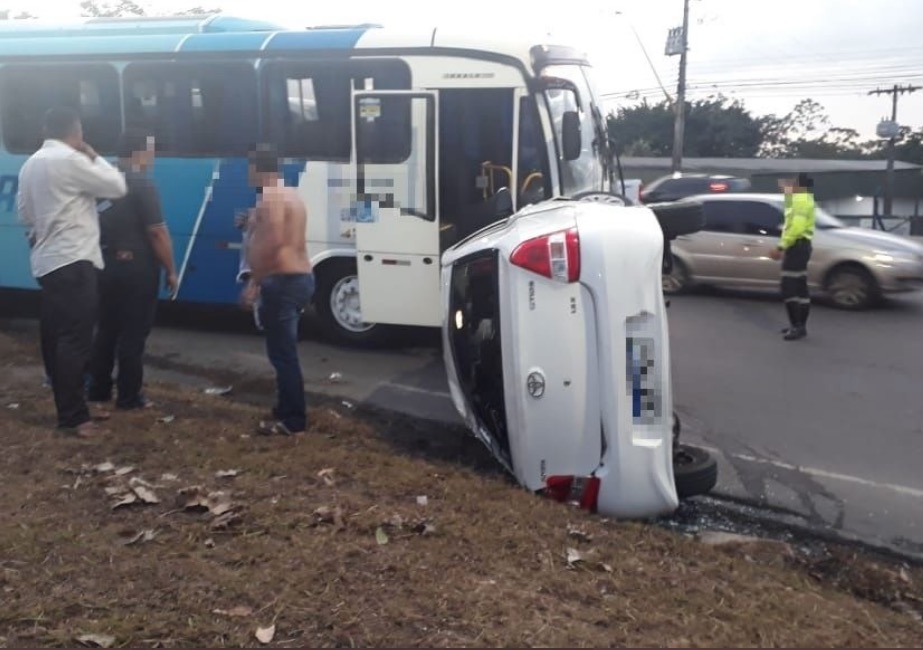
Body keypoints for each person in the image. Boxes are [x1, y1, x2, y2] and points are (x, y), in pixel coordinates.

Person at [16, 107, 127, 437]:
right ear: (76, 131)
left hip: (47, 262)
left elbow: (25, 213)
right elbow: (116, 186)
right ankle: (73, 417)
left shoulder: (31, 163)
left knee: (55, 336)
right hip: (74, 260)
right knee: (74, 340)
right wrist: (93, 155)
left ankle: (72, 407)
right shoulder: (71, 160)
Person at [86, 128, 178, 410]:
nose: (153, 156)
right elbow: (157, 233)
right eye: (150, 150)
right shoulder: (142, 184)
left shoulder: (102, 181)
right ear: (138, 152)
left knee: (106, 329)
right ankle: (129, 396)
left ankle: (98, 389)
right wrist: (171, 270)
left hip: (104, 263)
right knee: (133, 334)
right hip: (137, 269)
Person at [240, 143, 314, 436]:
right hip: (299, 279)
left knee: (283, 355)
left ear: (258, 169)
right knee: (284, 352)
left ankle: (293, 419)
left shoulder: (270, 197)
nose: (248, 174)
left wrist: (254, 282)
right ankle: (285, 407)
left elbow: (275, 242)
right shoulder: (290, 194)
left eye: (249, 168)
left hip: (282, 281)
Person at [770, 172, 816, 341]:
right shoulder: (801, 199)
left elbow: (796, 228)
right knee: (801, 287)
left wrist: (781, 247)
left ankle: (797, 326)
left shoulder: (800, 201)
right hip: (800, 247)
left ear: (799, 185)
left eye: (792, 182)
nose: (788, 184)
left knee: (789, 287)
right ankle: (799, 325)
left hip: (797, 247)